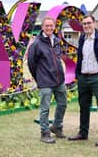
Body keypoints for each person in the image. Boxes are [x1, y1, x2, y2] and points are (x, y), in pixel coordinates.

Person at [68, 15, 98, 146]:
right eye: (84, 24)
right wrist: (77, 75)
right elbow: (80, 57)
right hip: (83, 78)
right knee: (83, 106)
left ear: (94, 23)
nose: (86, 26)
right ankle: (83, 133)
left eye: (89, 23)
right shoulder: (82, 38)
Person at [27, 16, 67, 144]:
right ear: (43, 27)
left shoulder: (56, 40)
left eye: (51, 26)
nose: (49, 28)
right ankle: (44, 132)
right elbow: (31, 63)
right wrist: (39, 77)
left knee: (63, 104)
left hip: (59, 80)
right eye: (47, 26)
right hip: (45, 81)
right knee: (45, 108)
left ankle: (57, 126)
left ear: (54, 27)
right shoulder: (37, 44)